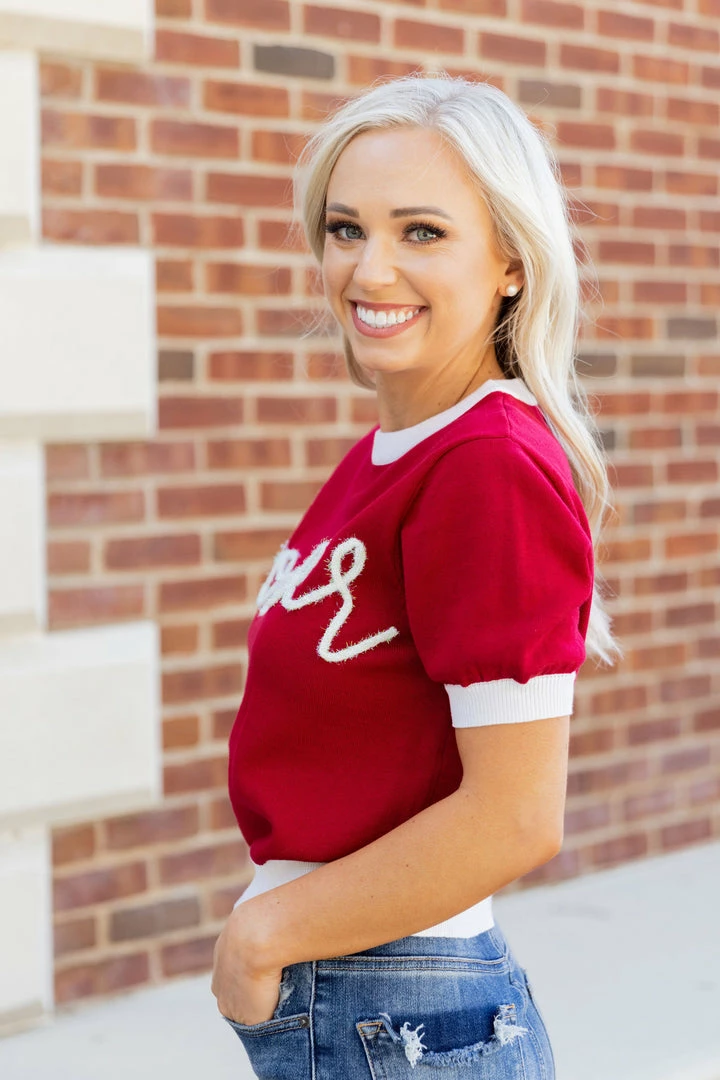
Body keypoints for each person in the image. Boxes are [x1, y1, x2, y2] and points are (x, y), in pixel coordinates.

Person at [211, 72, 617, 1079]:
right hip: (360, 995)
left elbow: (515, 817)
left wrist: (265, 937)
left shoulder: (486, 465)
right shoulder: (396, 450)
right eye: (346, 228)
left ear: (512, 261)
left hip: (393, 1010)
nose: (369, 268)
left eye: (422, 233)